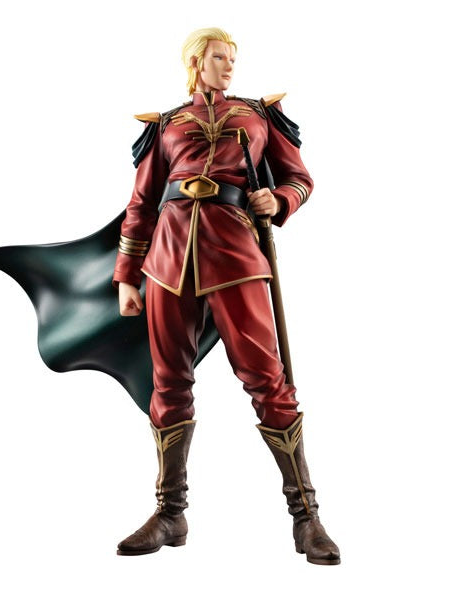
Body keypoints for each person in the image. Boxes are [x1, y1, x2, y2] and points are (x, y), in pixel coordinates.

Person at [112, 27, 340, 565]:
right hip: (167, 261)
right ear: (197, 62)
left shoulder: (259, 115)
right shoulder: (165, 125)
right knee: (168, 382)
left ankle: (306, 516)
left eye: (233, 57)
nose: (229, 65)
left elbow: (299, 178)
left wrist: (277, 200)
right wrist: (126, 276)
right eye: (220, 56)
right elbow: (141, 203)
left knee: (268, 381)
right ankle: (170, 513)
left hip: (235, 255)